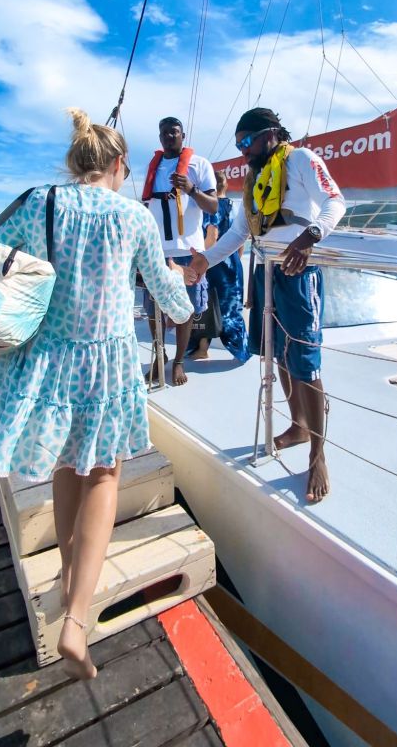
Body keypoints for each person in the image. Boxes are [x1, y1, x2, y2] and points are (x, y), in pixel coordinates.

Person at [0, 110, 193, 679]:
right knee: (104, 476)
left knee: (67, 470)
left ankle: (71, 579)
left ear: (76, 163)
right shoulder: (135, 216)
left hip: (50, 358)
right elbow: (165, 292)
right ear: (119, 165)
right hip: (108, 362)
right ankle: (76, 619)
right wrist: (186, 291)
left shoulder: (40, 203)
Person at [188, 107, 345, 504]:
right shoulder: (255, 179)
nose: (242, 150)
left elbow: (334, 202)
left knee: (305, 363)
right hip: (265, 275)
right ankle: (299, 426)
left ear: (271, 133)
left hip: (298, 272)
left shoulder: (301, 160)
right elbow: (240, 231)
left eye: (247, 141)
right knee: (278, 355)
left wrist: (309, 237)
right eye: (238, 143)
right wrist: (207, 258)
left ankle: (319, 454)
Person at [142, 117, 217, 385]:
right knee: (154, 310)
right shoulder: (155, 167)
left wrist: (190, 189)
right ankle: (159, 356)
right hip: (157, 252)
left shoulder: (199, 165)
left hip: (188, 250)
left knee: (185, 310)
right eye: (163, 133)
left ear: (183, 135)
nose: (168, 137)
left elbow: (213, 206)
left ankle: (178, 362)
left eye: (173, 132)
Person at [189, 170, 250, 363]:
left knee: (207, 306)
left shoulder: (212, 208)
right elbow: (241, 241)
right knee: (232, 309)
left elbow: (212, 237)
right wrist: (235, 260)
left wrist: (202, 258)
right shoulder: (235, 207)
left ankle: (204, 348)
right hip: (232, 263)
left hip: (215, 265)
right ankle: (242, 349)